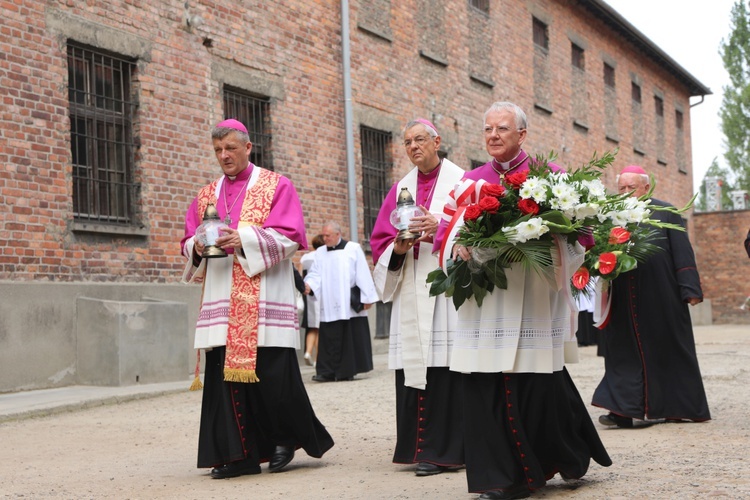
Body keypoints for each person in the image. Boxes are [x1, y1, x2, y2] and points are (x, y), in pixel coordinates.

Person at [433, 102, 611, 499]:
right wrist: (463, 248)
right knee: (483, 382)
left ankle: (539, 466)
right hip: (488, 302)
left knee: (533, 383)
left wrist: (545, 240)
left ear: (522, 135)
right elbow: (444, 236)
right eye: (488, 128)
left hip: (532, 295)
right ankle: (497, 476)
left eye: (502, 128)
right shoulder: (469, 183)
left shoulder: (551, 179)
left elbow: (581, 234)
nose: (493, 135)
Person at [180, 119, 334, 479]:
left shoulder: (276, 185)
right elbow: (189, 239)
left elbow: (291, 235)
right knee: (225, 379)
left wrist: (244, 238)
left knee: (273, 377)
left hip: (265, 299)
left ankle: (285, 440)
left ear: (248, 148)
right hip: (223, 299)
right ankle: (238, 454)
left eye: (230, 148)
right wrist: (197, 247)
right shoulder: (206, 194)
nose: (224, 156)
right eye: (218, 150)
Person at [370, 119, 466, 477]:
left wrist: (439, 229)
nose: (413, 147)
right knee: (417, 366)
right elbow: (380, 241)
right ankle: (419, 447)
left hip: (450, 291)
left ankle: (449, 450)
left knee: (448, 370)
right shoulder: (399, 190)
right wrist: (397, 246)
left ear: (437, 141)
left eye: (420, 139)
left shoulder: (462, 182)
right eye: (407, 142)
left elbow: (479, 231)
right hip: (412, 287)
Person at [593, 165, 711, 428]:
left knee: (668, 350)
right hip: (622, 296)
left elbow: (682, 252)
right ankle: (621, 410)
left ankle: (676, 406)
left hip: (662, 295)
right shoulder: (610, 215)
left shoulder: (666, 212)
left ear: (646, 187)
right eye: (621, 187)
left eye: (631, 187)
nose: (625, 192)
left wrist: (689, 289)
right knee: (622, 351)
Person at [304, 222, 379, 382]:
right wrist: (309, 284)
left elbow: (362, 273)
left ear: (338, 234)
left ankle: (346, 371)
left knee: (348, 335)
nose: (324, 239)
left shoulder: (353, 248)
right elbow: (315, 273)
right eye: (323, 235)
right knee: (328, 335)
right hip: (328, 301)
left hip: (348, 302)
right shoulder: (320, 253)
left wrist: (367, 297)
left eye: (328, 235)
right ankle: (326, 371)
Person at [300, 234, 324, 365]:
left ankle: (308, 351)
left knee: (311, 327)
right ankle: (317, 358)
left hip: (307, 294)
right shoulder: (321, 256)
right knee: (319, 327)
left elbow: (300, 276)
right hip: (319, 294)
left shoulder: (304, 258)